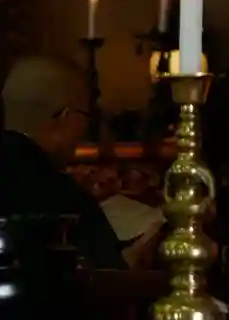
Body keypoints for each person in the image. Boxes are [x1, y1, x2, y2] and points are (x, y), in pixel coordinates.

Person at [0, 56, 156, 270]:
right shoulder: (62, 197)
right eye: (85, 116)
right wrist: (135, 256)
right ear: (66, 118)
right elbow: (105, 277)